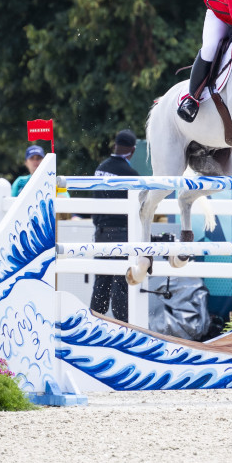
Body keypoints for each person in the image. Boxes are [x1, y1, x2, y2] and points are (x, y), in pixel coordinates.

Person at [90, 129, 140, 322]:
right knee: (121, 286)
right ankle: (122, 327)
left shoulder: (100, 168)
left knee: (101, 285)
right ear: (132, 150)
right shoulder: (131, 175)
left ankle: (95, 323)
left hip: (101, 234)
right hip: (122, 235)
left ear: (115, 145)